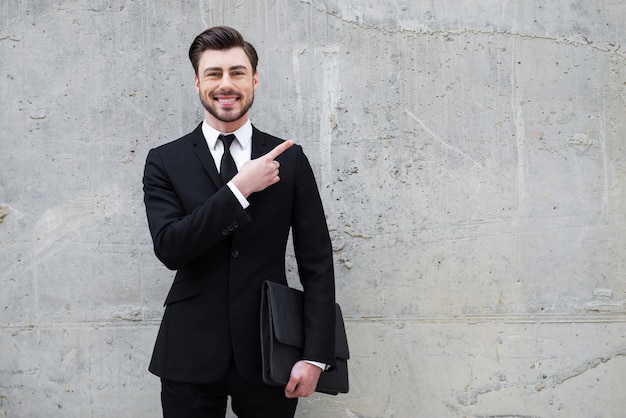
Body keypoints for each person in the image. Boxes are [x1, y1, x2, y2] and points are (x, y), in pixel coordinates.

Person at [142, 26, 336, 418]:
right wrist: (238, 190)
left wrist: (316, 356)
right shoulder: (165, 160)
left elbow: (317, 262)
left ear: (254, 80)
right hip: (189, 353)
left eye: (237, 72)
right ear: (197, 82)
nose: (225, 84)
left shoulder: (290, 160)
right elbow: (171, 248)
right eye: (214, 73)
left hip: (270, 349)